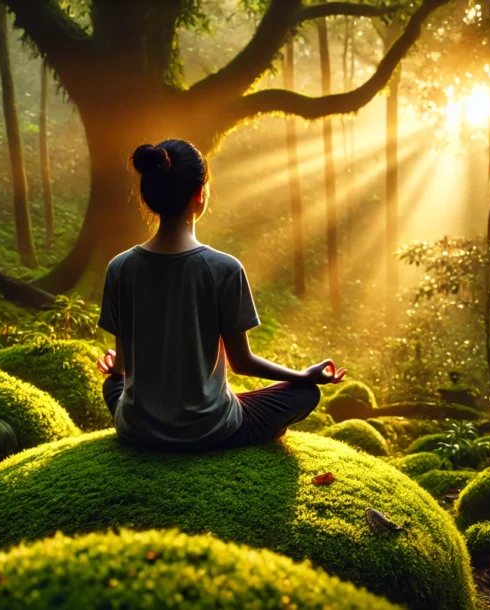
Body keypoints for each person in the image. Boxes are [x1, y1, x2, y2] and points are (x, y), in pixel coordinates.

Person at [94, 138, 345, 450]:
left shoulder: (120, 267)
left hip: (137, 428)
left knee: (113, 386)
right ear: (200, 193)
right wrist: (303, 375)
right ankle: (244, 431)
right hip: (208, 428)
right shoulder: (223, 268)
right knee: (306, 394)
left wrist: (116, 366)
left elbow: (123, 364)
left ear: (149, 195)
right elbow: (242, 362)